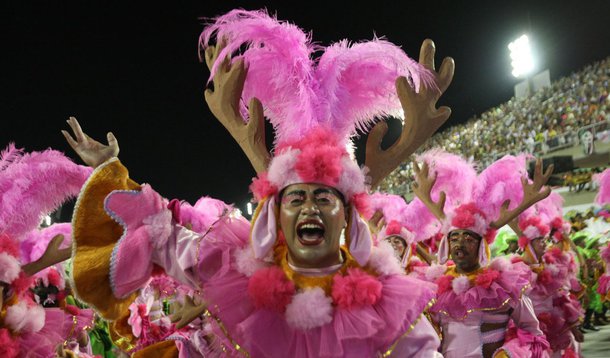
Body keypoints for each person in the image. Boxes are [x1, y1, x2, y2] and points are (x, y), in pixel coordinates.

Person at [63, 9, 454, 357]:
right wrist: (112, 167)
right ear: (275, 212)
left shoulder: (384, 300)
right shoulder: (237, 273)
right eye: (295, 198)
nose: (309, 208)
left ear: (348, 213)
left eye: (324, 197)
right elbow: (162, 236)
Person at [414, 152, 551, 358]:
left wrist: (509, 353)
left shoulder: (504, 286)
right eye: (454, 238)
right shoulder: (436, 285)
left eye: (468, 239)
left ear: (481, 246)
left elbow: (534, 334)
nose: (459, 244)